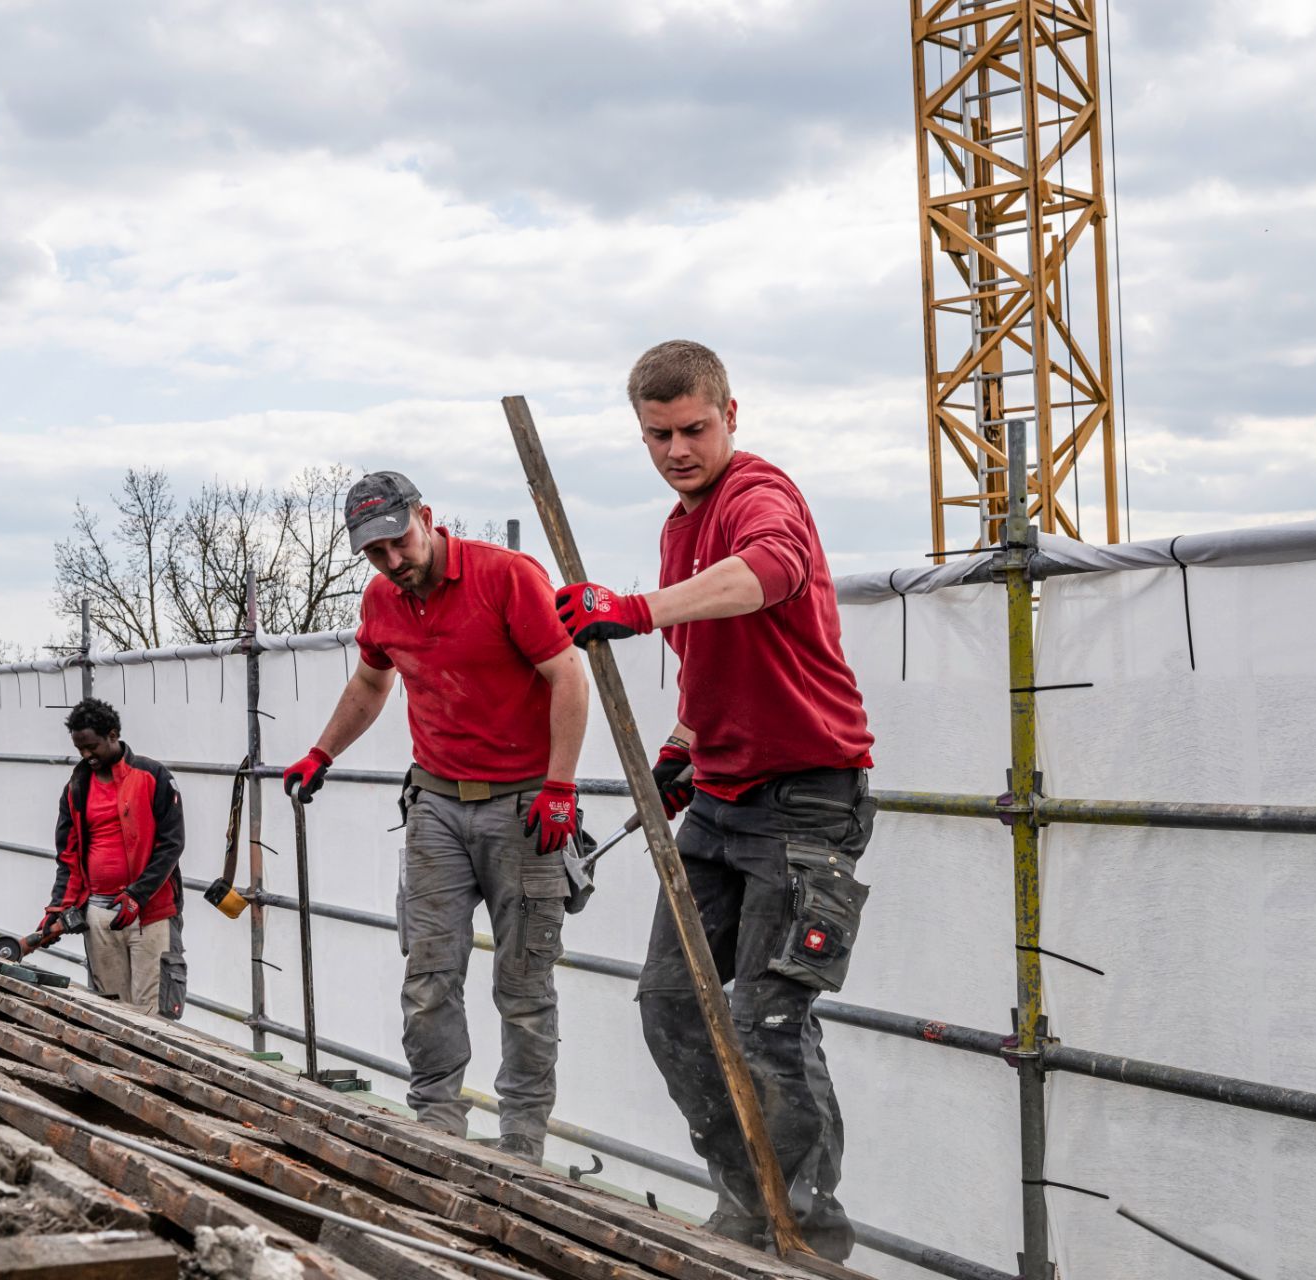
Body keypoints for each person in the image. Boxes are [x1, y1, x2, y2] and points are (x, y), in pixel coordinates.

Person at [553, 340, 876, 1261]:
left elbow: (765, 576)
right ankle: (746, 1204)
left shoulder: (759, 496)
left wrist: (634, 609)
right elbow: (712, 660)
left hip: (805, 804)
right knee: (670, 1005)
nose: (678, 450)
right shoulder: (678, 527)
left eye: (694, 428)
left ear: (731, 414)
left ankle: (805, 1237)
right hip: (722, 802)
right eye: (659, 435)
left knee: (768, 1025)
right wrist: (682, 747)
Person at [282, 471, 590, 1161]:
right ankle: (437, 1124)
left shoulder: (506, 577)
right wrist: (321, 752)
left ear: (426, 516)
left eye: (400, 541)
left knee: (524, 982)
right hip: (437, 806)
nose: (393, 560)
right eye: (375, 552)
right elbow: (372, 680)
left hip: (525, 808)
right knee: (429, 975)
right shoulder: (381, 600)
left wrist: (560, 786)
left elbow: (567, 674)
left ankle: (521, 1142)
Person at [40, 697, 187, 1018]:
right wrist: (58, 908)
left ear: (113, 735)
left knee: (154, 1014)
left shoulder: (152, 776)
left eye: (92, 746)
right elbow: (69, 857)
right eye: (80, 749)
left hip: (151, 913)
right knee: (110, 1012)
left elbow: (172, 844)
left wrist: (137, 895)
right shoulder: (77, 788)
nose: (86, 755)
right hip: (100, 916)